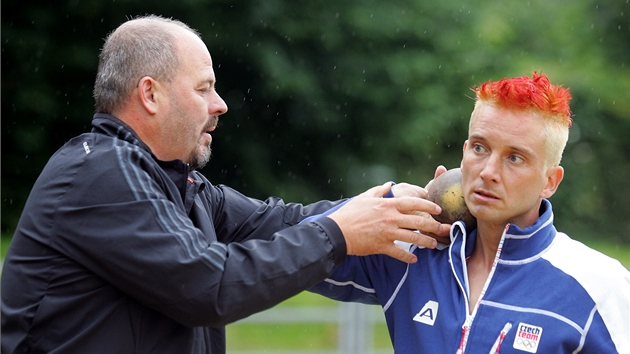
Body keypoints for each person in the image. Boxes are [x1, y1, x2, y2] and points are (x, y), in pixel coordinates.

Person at [0, 15, 451, 354]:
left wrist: (399, 208)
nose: (221, 105)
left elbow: (278, 221)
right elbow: (209, 286)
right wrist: (338, 234)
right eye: (204, 88)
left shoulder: (178, 184)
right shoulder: (100, 175)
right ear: (150, 94)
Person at [309, 72, 630, 353]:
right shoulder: (409, 248)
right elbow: (289, 248)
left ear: (550, 181)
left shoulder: (600, 287)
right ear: (463, 154)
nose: (488, 171)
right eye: (480, 148)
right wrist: (385, 203)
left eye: (514, 157)